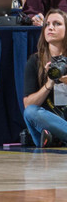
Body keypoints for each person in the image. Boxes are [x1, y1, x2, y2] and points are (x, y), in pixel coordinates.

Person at [22, 9, 67, 146]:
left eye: (57, 24)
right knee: (30, 112)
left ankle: (58, 137)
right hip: (49, 120)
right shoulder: (35, 61)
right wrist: (49, 83)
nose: (50, 28)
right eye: (47, 24)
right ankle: (54, 136)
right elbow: (28, 104)